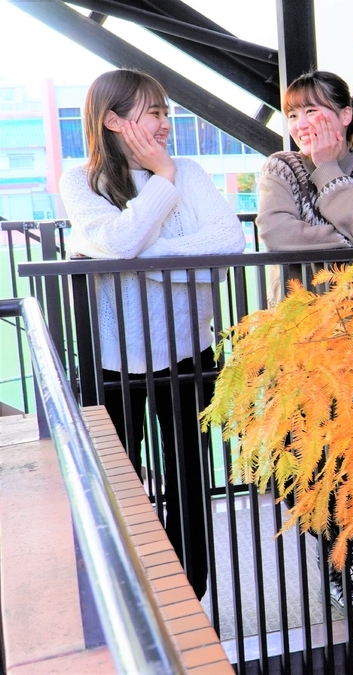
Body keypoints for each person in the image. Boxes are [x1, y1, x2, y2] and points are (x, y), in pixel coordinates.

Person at [59, 69, 246, 600]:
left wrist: (137, 255)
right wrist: (160, 183)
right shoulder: (83, 180)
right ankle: (127, 593)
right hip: (112, 362)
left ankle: (191, 587)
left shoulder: (189, 170)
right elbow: (118, 239)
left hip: (188, 354)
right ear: (113, 120)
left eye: (165, 112)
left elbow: (226, 243)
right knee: (119, 483)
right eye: (152, 112)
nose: (165, 123)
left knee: (189, 477)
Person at [256, 70, 353, 619]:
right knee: (303, 464)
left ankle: (341, 570)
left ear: (344, 115)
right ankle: (327, 553)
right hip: (294, 341)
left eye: (314, 111)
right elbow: (278, 233)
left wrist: (326, 170)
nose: (301, 125)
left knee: (350, 462)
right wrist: (348, 239)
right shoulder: (279, 167)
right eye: (293, 115)